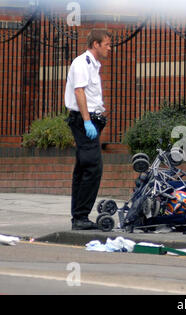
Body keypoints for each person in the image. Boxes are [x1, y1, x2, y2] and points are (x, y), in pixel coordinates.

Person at [64, 29, 112, 230]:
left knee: (83, 168)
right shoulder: (82, 63)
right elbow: (79, 91)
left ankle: (79, 217)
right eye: (107, 44)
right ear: (95, 44)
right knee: (93, 167)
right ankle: (81, 217)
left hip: (91, 120)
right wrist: (86, 121)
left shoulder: (92, 65)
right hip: (84, 121)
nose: (109, 48)